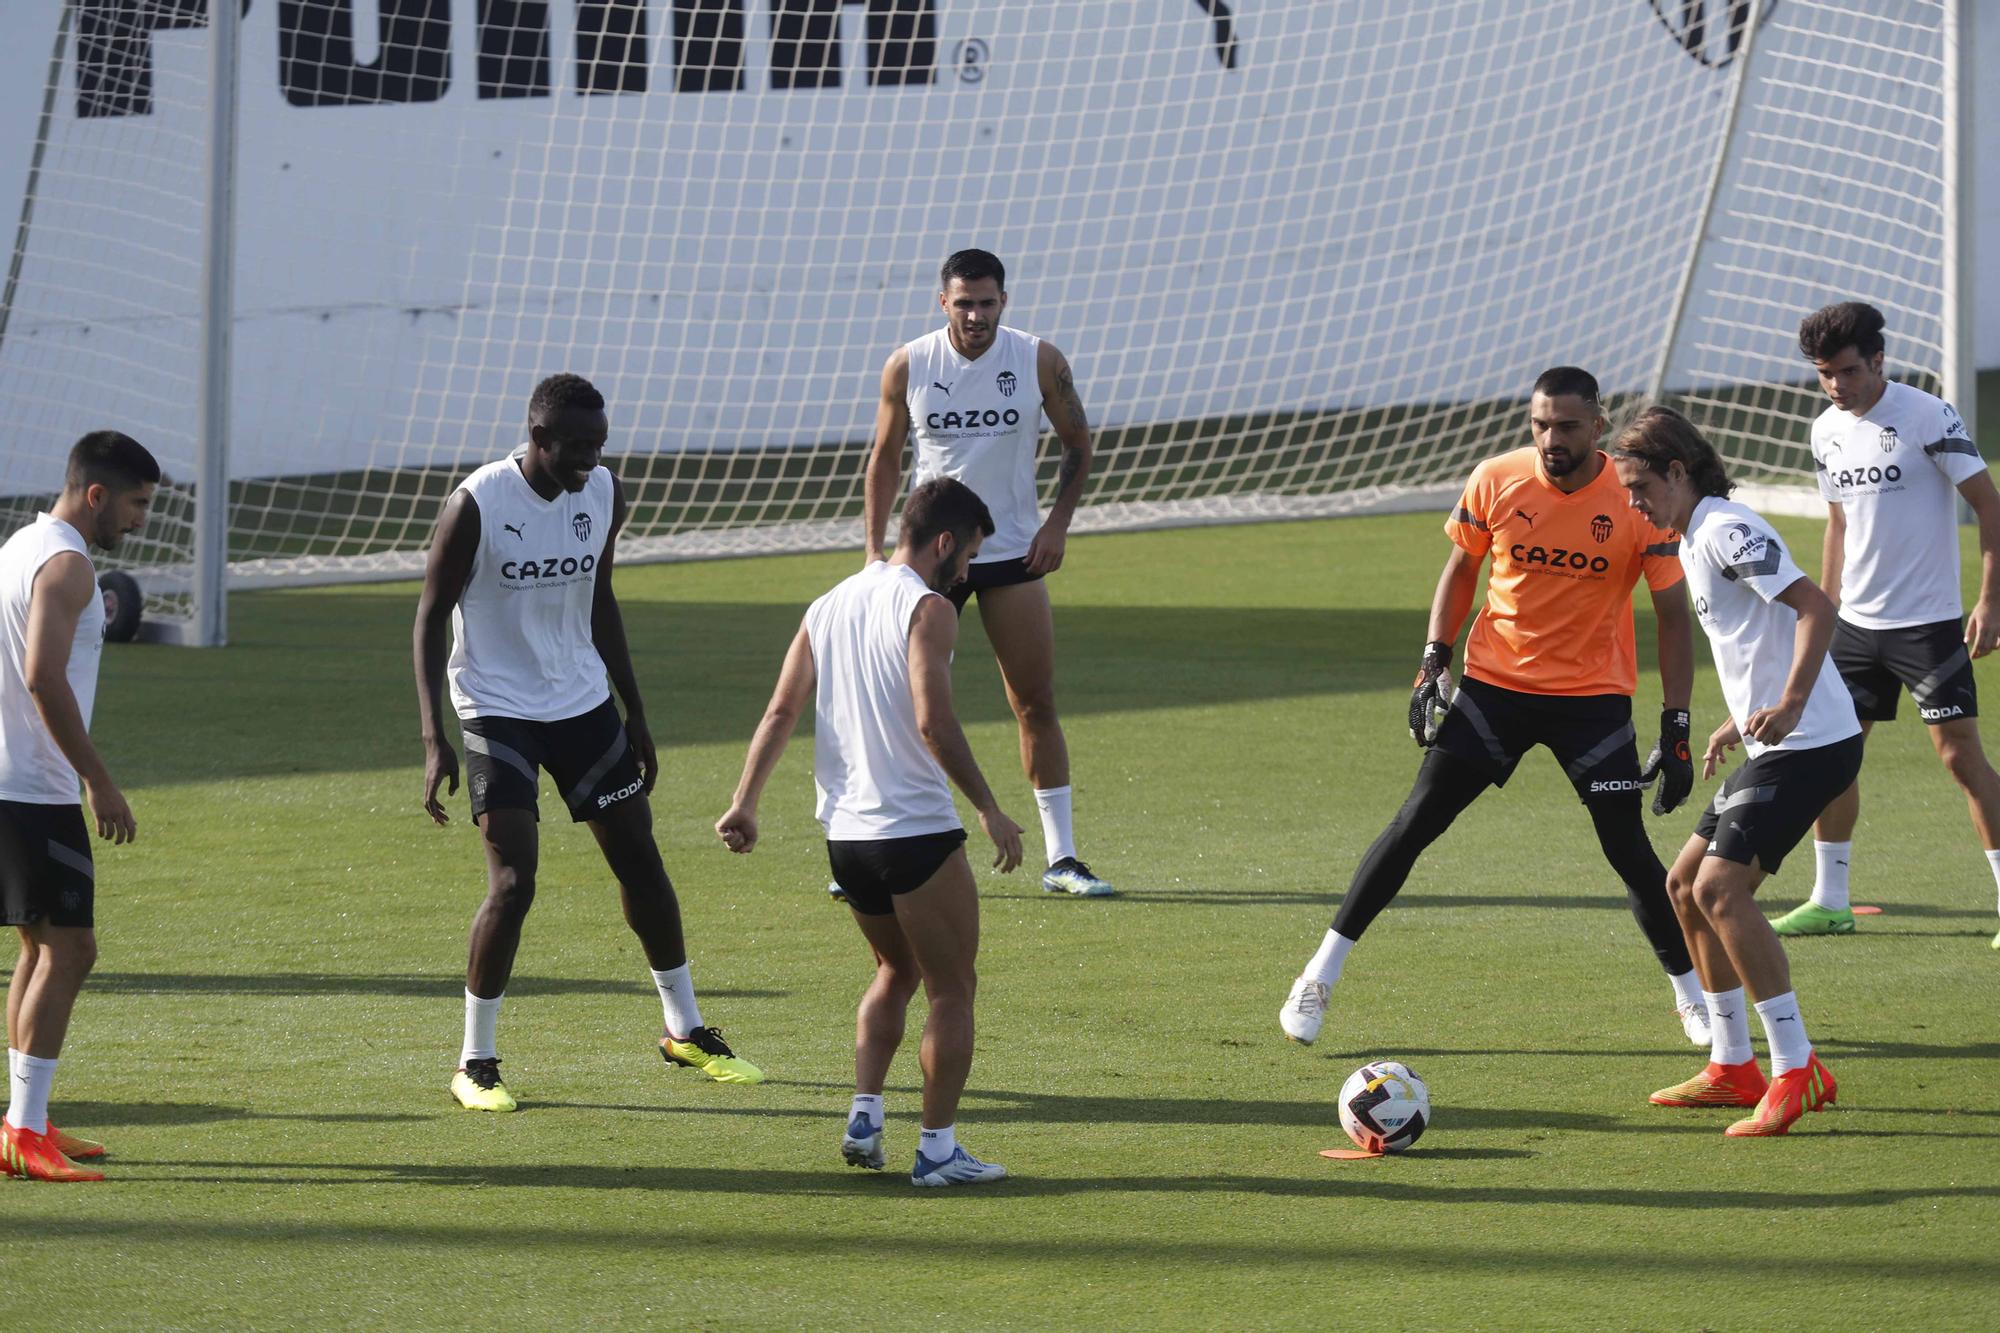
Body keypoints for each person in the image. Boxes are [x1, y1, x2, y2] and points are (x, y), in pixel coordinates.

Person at [1279, 367, 1709, 1047]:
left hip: (1592, 701)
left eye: (1566, 425)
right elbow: (1461, 570)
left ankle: (1693, 996)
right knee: (1416, 821)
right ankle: (1318, 973)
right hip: (1496, 690)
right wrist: (1432, 661)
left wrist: (1676, 724)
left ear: (1598, 426)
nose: (1550, 438)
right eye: (1539, 423)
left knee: (1627, 848)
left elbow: (1673, 615)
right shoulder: (1496, 478)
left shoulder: (1632, 498)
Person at [415, 373, 762, 1112]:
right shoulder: (477, 504)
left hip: (580, 703)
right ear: (537, 438)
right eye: (575, 446)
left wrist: (634, 710)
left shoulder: (602, 490)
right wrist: (433, 737)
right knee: (513, 884)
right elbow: (427, 617)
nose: (589, 460)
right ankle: (475, 1061)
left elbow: (600, 598)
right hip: (496, 708)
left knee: (641, 859)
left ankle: (686, 1028)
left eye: (599, 445)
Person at [718, 477, 1023, 1187]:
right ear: (944, 543)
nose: (970, 573)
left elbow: (779, 712)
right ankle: (939, 1151)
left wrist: (745, 802)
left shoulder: (827, 604)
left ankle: (864, 1115)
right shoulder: (928, 608)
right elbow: (934, 721)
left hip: (846, 840)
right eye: (970, 556)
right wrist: (987, 806)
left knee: (895, 968)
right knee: (953, 988)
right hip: (914, 830)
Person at [1614, 406, 1861, 1135]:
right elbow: (1759, 632)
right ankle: (1732, 1064)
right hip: (1776, 740)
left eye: (1639, 486)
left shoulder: (1724, 528)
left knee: (1720, 888)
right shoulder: (1692, 535)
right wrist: (1741, 715)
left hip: (1810, 741)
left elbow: (1814, 605)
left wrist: (1787, 701)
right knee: (1683, 886)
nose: (1633, 502)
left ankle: (1797, 1067)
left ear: (1678, 472)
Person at [858, 248, 1111, 898]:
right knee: (898, 704)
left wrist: (1056, 525)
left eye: (987, 302)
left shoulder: (1038, 360)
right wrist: (873, 551)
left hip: (1013, 553)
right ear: (942, 302)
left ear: (1005, 301)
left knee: (1034, 699)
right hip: (927, 561)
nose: (975, 315)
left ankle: (1063, 858)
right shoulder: (909, 364)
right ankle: (877, 847)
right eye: (963, 302)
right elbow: (885, 458)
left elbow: (1078, 443)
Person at [1771, 301, 2000, 947]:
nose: (1837, 386)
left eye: (1846, 371)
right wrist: (1824, 606)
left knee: (1960, 759)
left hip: (1927, 626)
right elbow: (1839, 523)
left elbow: (1989, 504)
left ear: (1878, 360)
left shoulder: (1928, 414)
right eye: (1824, 374)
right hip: (1855, 627)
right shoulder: (1824, 430)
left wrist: (1990, 600)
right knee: (1830, 760)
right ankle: (1830, 900)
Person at [1, 430, 158, 1181]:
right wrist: (96, 778)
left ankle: (21, 1120)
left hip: (13, 780)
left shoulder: (20, 545)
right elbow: (41, 675)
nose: (140, 519)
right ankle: (24, 1132)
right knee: (71, 949)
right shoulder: (67, 565)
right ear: (95, 494)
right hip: (36, 786)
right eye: (134, 503)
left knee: (37, 947)